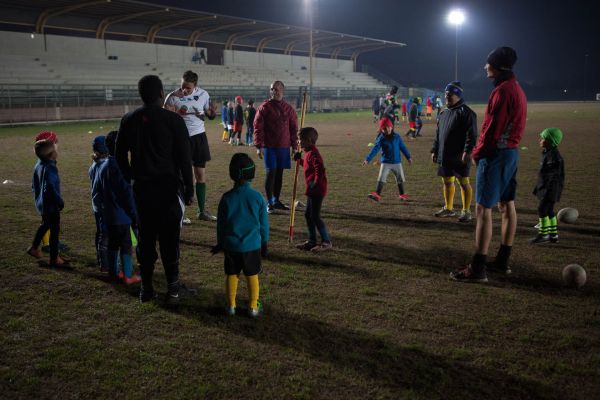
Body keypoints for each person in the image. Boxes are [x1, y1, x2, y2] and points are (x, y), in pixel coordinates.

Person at [116, 74, 195, 304]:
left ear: (141, 95)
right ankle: (173, 290)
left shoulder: (129, 120)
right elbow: (184, 159)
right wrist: (189, 190)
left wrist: (130, 176)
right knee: (170, 240)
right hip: (168, 189)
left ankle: (147, 289)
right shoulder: (173, 121)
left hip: (142, 190)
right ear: (161, 94)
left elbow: (119, 155)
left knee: (145, 239)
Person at [450, 46, 527, 282]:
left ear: (497, 66)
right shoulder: (516, 89)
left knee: (483, 209)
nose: (485, 66)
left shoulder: (502, 91)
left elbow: (492, 129)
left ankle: (478, 268)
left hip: (496, 155)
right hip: (511, 154)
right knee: (507, 204)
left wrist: (477, 152)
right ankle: (502, 261)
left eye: (488, 63)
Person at [212, 153, 269, 317]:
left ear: (232, 174)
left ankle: (231, 306)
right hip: (252, 246)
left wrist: (220, 243)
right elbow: (264, 225)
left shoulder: (226, 198)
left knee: (232, 274)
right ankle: (253, 307)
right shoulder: (257, 197)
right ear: (252, 173)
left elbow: (221, 225)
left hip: (231, 246)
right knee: (252, 275)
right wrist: (264, 243)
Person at [164, 70, 217, 222]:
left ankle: (201, 211)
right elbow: (163, 115)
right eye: (182, 86)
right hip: (181, 139)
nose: (184, 90)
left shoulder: (204, 95)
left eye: (188, 87)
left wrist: (212, 113)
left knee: (200, 175)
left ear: (196, 86)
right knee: (181, 176)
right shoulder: (173, 96)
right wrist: (170, 112)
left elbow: (209, 115)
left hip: (199, 137)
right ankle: (181, 213)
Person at [90, 134, 141, 284]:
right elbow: (126, 194)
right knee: (126, 245)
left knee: (113, 243)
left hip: (110, 215)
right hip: (122, 215)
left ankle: (113, 272)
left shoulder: (103, 165)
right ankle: (127, 275)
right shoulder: (118, 167)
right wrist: (134, 214)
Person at [431, 81, 477, 222]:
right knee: (447, 181)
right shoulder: (443, 112)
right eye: (445, 94)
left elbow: (472, 134)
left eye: (449, 94)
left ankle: (466, 211)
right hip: (444, 154)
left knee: (463, 182)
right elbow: (438, 134)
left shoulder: (467, 113)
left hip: (460, 155)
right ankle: (449, 208)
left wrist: (467, 150)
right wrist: (435, 149)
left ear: (457, 95)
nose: (446, 96)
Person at [253, 80, 298, 213]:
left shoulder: (288, 109)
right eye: (272, 89)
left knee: (279, 174)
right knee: (270, 173)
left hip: (284, 146)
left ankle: (276, 200)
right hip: (269, 147)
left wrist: (295, 146)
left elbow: (294, 128)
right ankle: (269, 203)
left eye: (277, 89)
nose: (274, 91)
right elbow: (257, 127)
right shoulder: (264, 108)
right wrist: (258, 146)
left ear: (282, 90)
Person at [27, 139, 66, 267]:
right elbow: (49, 187)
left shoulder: (39, 164)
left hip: (42, 204)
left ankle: (34, 248)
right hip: (50, 205)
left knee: (45, 225)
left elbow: (34, 185)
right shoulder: (50, 168)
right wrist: (59, 201)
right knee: (54, 231)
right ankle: (54, 258)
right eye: (56, 149)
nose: (57, 151)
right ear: (51, 154)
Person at [293, 127, 332, 252]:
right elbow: (307, 164)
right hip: (312, 189)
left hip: (317, 189)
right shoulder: (309, 153)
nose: (298, 142)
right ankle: (311, 241)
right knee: (308, 215)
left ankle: (326, 241)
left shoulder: (314, 153)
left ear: (309, 140)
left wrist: (315, 182)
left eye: (300, 140)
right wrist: (299, 160)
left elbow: (319, 169)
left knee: (315, 216)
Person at [363, 117, 412, 202]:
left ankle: (402, 195)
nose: (387, 130)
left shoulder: (397, 137)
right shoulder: (381, 139)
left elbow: (403, 147)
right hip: (386, 162)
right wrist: (368, 159)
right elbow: (375, 149)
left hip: (397, 162)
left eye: (388, 127)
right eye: (384, 129)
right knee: (381, 178)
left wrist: (408, 157)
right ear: (381, 130)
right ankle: (377, 195)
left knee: (399, 178)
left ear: (391, 126)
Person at [531, 128, 564, 244]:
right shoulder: (549, 153)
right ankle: (553, 235)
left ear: (550, 141)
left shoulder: (553, 157)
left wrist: (545, 191)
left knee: (542, 209)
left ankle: (543, 234)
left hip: (550, 190)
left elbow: (552, 177)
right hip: (549, 189)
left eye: (543, 138)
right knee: (549, 211)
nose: (540, 140)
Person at [89, 135, 110, 273]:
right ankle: (104, 264)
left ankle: (100, 259)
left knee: (100, 232)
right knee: (105, 235)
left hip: (96, 205)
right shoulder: (106, 166)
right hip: (105, 206)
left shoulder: (93, 165)